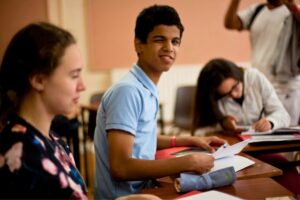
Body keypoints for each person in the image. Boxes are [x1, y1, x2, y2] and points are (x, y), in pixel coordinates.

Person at [93, 4, 226, 199]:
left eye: (175, 41)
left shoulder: (145, 86)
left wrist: (190, 140)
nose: (169, 48)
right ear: (139, 44)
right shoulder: (128, 91)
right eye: (159, 40)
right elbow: (120, 168)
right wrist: (186, 162)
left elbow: (141, 140)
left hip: (146, 190)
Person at [0, 22, 88, 199]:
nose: (83, 86)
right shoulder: (22, 157)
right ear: (39, 80)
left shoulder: (51, 137)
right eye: (74, 75)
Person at [224, 0, 300, 125]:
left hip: (285, 88)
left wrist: (292, 7)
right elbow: (230, 24)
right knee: (263, 133)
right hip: (260, 85)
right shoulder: (257, 10)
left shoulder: (293, 10)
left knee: (285, 137)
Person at [192, 58, 290, 134]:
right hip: (232, 147)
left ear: (238, 75)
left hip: (258, 144)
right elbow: (201, 130)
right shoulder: (214, 96)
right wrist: (222, 124)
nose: (234, 95)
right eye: (226, 94)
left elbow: (283, 115)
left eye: (235, 87)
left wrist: (270, 122)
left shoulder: (254, 78)